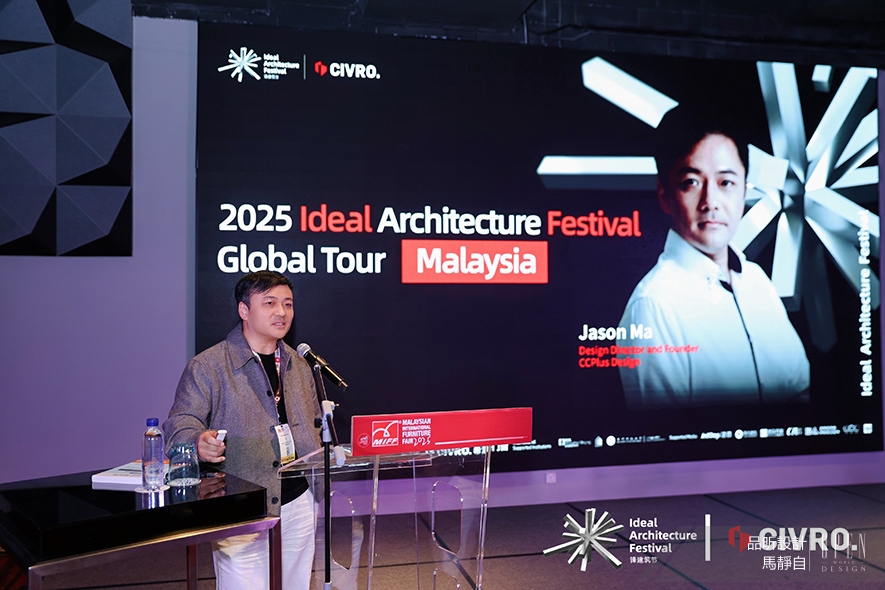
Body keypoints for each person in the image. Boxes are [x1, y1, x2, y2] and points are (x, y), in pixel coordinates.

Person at [617, 131, 810, 409]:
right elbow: (664, 431)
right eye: (691, 182)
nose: (711, 201)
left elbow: (799, 388)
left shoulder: (756, 280)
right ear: (665, 195)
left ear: (744, 191)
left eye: (726, 182)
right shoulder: (653, 304)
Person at [164, 271, 322, 589]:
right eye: (270, 303)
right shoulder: (208, 366)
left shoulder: (299, 365)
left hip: (299, 500)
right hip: (241, 503)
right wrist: (197, 441)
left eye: (288, 304)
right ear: (244, 310)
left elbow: (315, 422)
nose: (281, 312)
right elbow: (180, 423)